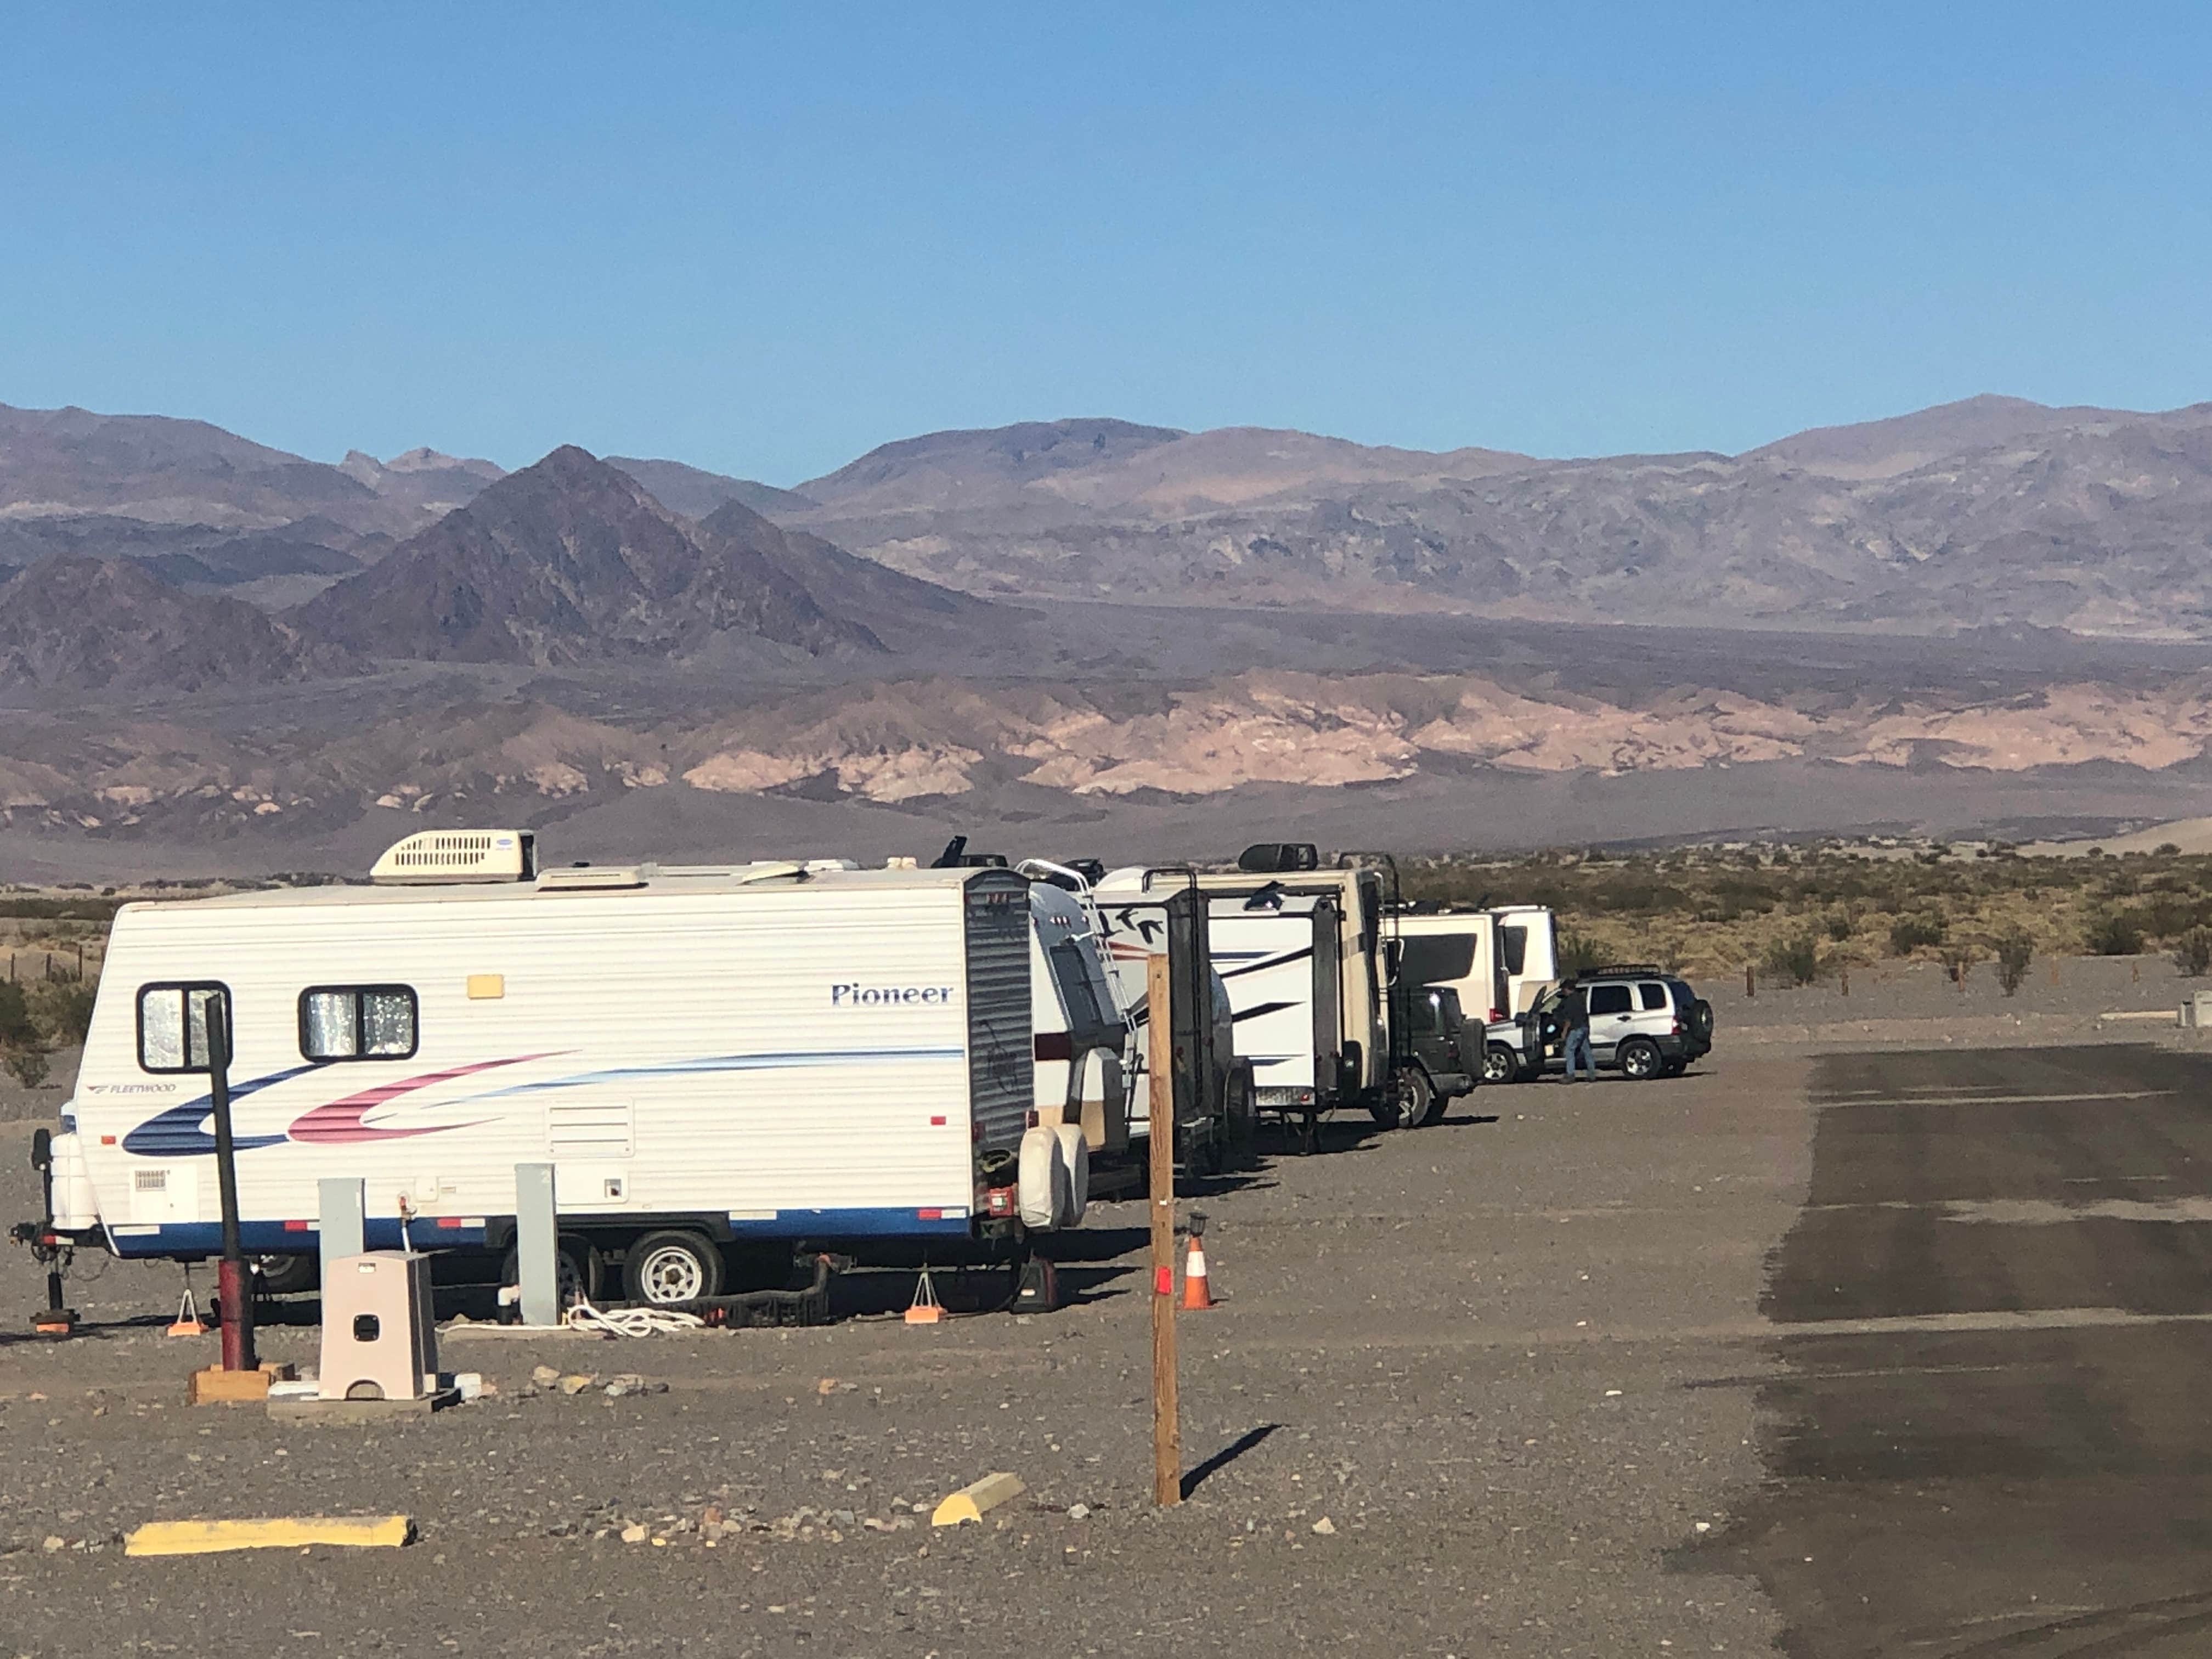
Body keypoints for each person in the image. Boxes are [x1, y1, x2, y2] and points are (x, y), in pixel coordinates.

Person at [1560, 980, 1595, 1082]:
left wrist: (1564, 1032)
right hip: (1584, 1027)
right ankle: (1592, 1074)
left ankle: (1570, 1074)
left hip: (1576, 1029)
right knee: (1587, 1051)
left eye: (1564, 989)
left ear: (1567, 989)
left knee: (1569, 1051)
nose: (1563, 992)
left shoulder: (1570, 1001)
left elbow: (1569, 1019)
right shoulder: (1581, 998)